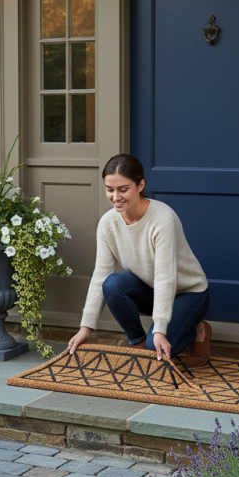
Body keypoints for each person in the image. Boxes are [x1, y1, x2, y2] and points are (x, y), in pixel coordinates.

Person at [68, 153, 211, 365]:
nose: (115, 197)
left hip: (189, 293)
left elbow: (165, 278)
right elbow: (100, 276)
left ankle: (198, 329)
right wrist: (85, 328)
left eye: (123, 189)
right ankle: (138, 345)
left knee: (157, 347)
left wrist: (160, 330)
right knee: (112, 284)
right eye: (110, 189)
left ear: (140, 185)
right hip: (152, 291)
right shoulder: (108, 223)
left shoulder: (162, 219)